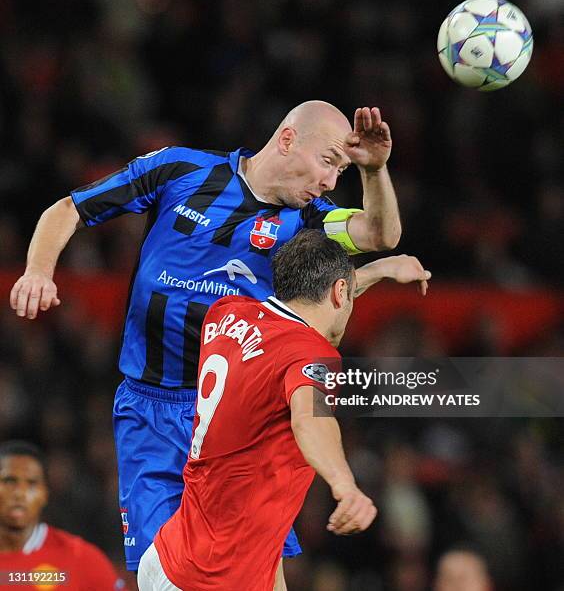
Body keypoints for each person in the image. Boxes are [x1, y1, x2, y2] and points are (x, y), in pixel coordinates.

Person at [10, 101, 403, 571]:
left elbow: (380, 233)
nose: (330, 182)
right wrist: (38, 271)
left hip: (235, 417)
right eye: (328, 162)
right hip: (150, 409)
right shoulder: (180, 169)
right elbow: (70, 208)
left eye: (341, 170)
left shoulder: (310, 220)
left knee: (258, 568)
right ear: (287, 139)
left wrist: (375, 171)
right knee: (162, 572)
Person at [139, 230, 413, 590]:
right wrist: (344, 484)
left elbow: (314, 301)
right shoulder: (310, 355)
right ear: (340, 292)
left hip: (172, 554)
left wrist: (378, 270)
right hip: (211, 581)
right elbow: (309, 418)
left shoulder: (225, 313)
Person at [0, 440, 127, 590]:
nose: (20, 493)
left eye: (32, 483)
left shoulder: (81, 558)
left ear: (45, 494)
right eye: (9, 481)